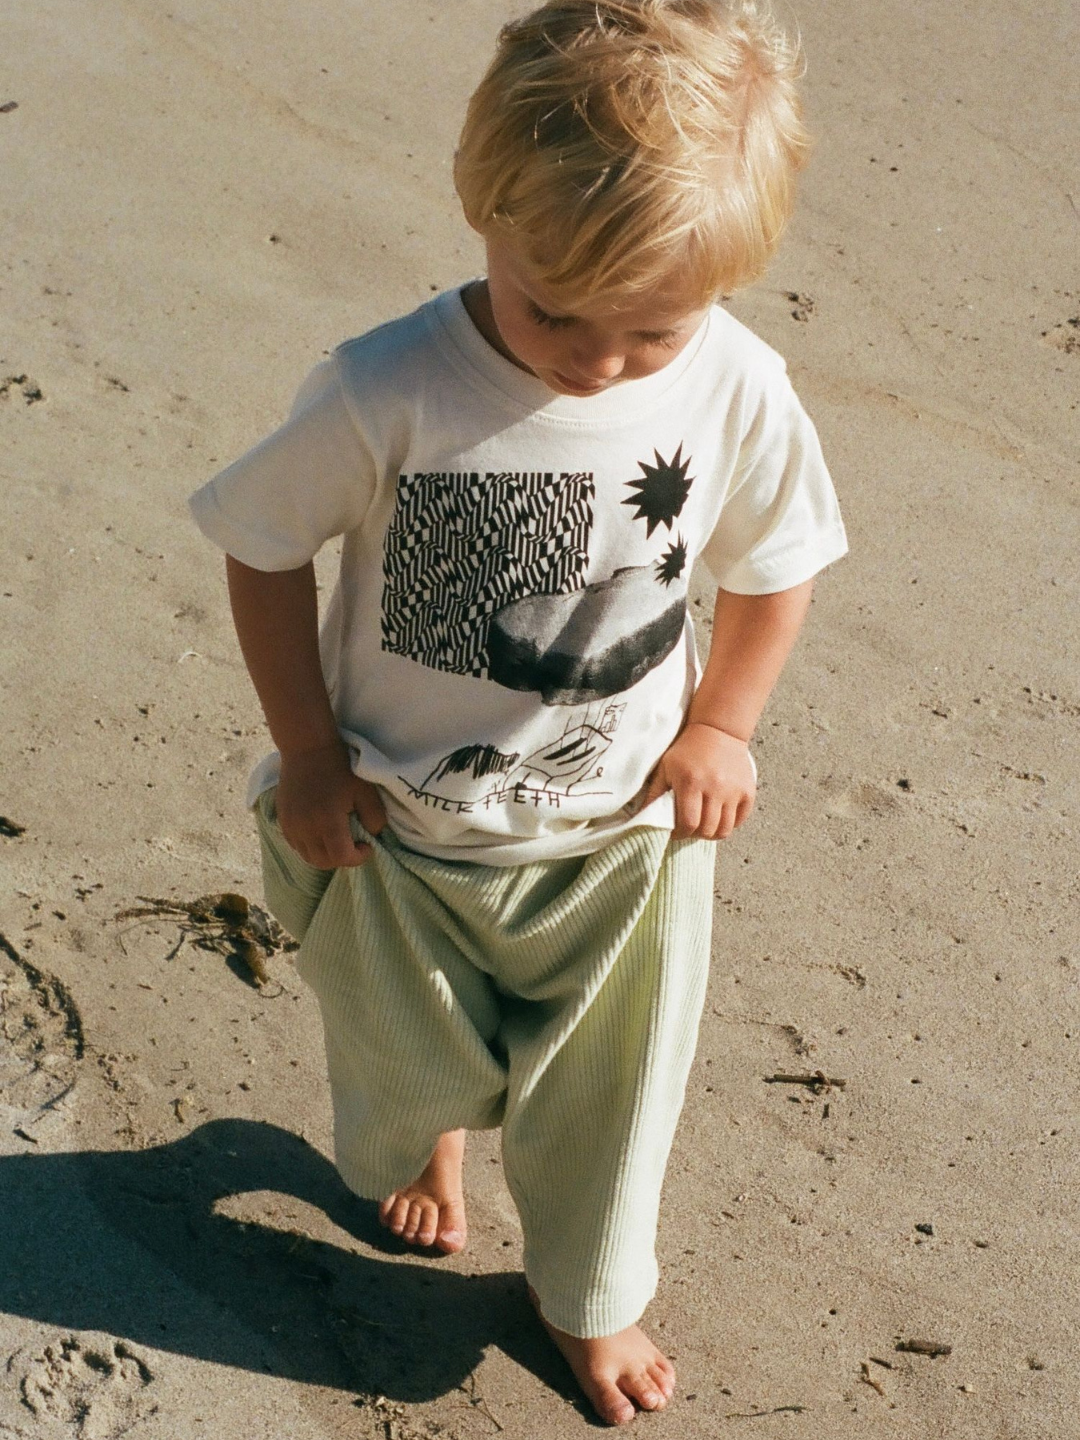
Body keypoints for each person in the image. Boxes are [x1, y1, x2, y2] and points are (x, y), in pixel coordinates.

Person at [189, 0, 847, 1424]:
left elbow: (776, 569)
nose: (598, 363)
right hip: (401, 830)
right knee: (408, 1064)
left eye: (650, 332)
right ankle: (433, 1149)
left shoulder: (734, 382)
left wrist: (724, 724)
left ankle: (587, 1297)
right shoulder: (386, 389)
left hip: (623, 844)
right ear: (482, 203)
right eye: (555, 312)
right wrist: (307, 750)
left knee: (614, 1106)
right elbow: (260, 543)